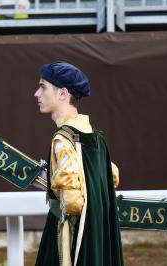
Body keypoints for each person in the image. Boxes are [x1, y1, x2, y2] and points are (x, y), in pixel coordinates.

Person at [34, 61, 124, 266]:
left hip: (71, 241)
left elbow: (73, 205)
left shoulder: (63, 140)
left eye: (42, 87)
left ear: (62, 93)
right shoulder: (96, 137)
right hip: (99, 239)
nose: (36, 94)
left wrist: (53, 185)